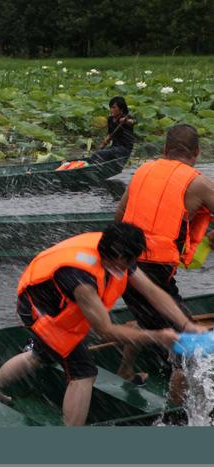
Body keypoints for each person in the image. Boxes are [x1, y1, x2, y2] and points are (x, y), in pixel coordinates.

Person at [0, 223, 199, 426]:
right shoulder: (82, 279)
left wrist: (184, 323)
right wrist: (158, 336)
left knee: (41, 355)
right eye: (131, 260)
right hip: (39, 309)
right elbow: (105, 330)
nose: (133, 265)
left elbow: (152, 292)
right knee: (83, 372)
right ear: (120, 257)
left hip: (60, 302)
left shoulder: (116, 254)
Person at [115, 124, 213, 403]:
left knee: (149, 316)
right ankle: (175, 413)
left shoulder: (142, 171)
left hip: (125, 265)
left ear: (164, 150)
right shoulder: (198, 182)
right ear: (196, 153)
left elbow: (119, 215)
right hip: (153, 272)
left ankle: (124, 369)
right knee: (190, 349)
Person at [89, 96, 135, 166]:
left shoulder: (126, 118)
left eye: (114, 107)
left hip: (124, 148)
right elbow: (110, 133)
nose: (111, 110)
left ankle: (94, 169)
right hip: (114, 147)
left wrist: (125, 120)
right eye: (111, 107)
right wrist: (106, 139)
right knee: (96, 156)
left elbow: (131, 122)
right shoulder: (110, 119)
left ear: (121, 109)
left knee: (98, 154)